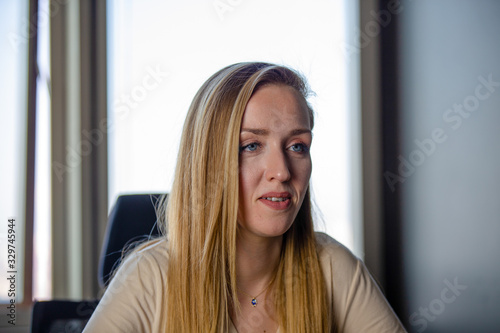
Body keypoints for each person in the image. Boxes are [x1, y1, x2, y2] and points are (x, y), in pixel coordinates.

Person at [84, 62, 407, 332]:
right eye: (251, 146)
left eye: (297, 146)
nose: (281, 172)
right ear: (208, 163)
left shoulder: (332, 267)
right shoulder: (149, 277)